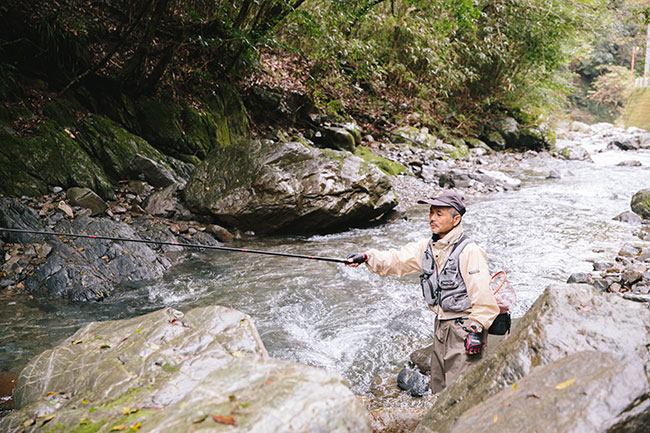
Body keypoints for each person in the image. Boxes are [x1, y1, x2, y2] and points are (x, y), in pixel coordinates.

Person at [346, 190, 499, 394]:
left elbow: (483, 295)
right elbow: (397, 260)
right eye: (431, 212)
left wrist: (477, 329)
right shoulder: (427, 247)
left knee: (460, 391)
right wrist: (367, 257)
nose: (432, 218)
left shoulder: (471, 251)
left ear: (456, 219)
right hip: (441, 326)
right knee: (439, 387)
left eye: (439, 214)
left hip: (465, 329)